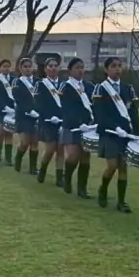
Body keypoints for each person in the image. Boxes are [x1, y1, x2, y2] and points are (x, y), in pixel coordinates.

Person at [92, 57, 139, 212]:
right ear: (106, 69)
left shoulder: (128, 88)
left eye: (120, 66)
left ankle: (121, 202)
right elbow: (100, 114)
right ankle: (103, 190)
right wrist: (114, 127)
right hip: (109, 133)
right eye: (113, 66)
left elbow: (133, 112)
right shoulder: (101, 88)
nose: (118, 69)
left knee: (123, 167)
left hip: (126, 134)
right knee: (112, 166)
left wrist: (137, 131)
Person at [60, 58, 95, 199]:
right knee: (74, 156)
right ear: (70, 70)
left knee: (85, 157)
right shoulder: (65, 87)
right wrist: (78, 122)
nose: (80, 70)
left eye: (82, 67)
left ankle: (82, 188)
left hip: (88, 127)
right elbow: (67, 108)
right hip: (72, 126)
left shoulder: (89, 86)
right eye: (77, 68)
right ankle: (67, 179)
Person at [35, 58, 65, 185]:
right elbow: (37, 104)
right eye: (50, 66)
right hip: (47, 121)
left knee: (61, 149)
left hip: (62, 121)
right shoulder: (41, 84)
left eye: (55, 66)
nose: (53, 68)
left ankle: (59, 177)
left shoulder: (64, 84)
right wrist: (49, 115)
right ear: (46, 68)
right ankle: (43, 169)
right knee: (50, 149)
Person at [12, 58, 40, 174]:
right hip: (23, 116)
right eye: (25, 66)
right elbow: (18, 99)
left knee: (35, 142)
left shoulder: (38, 82)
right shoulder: (17, 82)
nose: (28, 69)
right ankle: (18, 160)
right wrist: (29, 110)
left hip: (37, 116)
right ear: (20, 68)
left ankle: (33, 168)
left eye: (30, 66)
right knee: (25, 142)